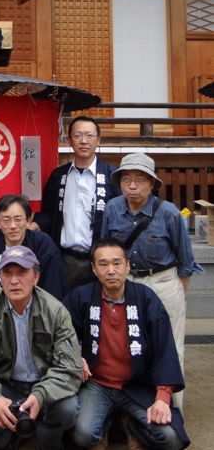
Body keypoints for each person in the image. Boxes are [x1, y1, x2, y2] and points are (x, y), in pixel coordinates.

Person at [65, 238, 190, 450]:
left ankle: (132, 426)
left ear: (127, 266)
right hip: (97, 384)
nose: (111, 270)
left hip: (137, 385)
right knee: (82, 436)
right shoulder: (81, 297)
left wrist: (162, 397)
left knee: (171, 438)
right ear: (94, 269)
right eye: (103, 264)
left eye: (117, 263)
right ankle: (104, 427)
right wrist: (75, 356)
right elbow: (61, 335)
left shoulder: (146, 298)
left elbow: (164, 349)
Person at [0, 246, 81, 450]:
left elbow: (69, 367)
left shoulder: (56, 311)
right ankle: (2, 437)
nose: (14, 281)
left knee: (68, 409)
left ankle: (47, 439)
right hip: (7, 385)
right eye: (7, 273)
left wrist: (41, 394)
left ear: (36, 277)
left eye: (22, 273)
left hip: (43, 384)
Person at [101, 153, 198, 406]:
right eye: (127, 180)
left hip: (164, 282)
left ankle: (173, 412)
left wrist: (176, 293)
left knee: (171, 348)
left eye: (139, 180)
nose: (132, 186)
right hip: (126, 283)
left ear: (152, 184)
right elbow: (105, 249)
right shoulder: (112, 208)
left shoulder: (169, 213)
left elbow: (185, 262)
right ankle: (136, 410)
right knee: (130, 346)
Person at [36, 116, 117, 289]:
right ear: (69, 140)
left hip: (100, 260)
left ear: (98, 140)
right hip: (65, 259)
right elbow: (48, 214)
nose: (83, 141)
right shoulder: (59, 176)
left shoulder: (111, 175)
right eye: (78, 135)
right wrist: (35, 224)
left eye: (89, 135)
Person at [0, 194, 65, 311]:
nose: (13, 226)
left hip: (37, 314)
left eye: (18, 219)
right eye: (6, 220)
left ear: (28, 220)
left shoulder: (43, 245)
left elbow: (53, 291)